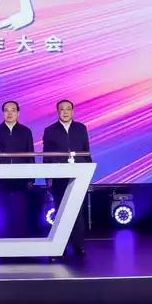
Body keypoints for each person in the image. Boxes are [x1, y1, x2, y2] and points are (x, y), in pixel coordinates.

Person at [42, 99, 92, 257]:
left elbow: (86, 151)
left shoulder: (81, 128)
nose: (65, 112)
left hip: (79, 174)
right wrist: (48, 176)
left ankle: (78, 244)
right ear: (58, 112)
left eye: (68, 109)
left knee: (78, 211)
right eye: (62, 109)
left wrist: (88, 171)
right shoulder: (50, 130)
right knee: (60, 210)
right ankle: (60, 245)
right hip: (59, 175)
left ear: (73, 111)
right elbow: (46, 156)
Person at [0, 101, 35, 238]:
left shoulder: (25, 131)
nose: (9, 113)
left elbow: (30, 154)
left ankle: (20, 237)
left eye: (13, 110)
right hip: (1, 176)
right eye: (6, 110)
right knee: (2, 208)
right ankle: (3, 237)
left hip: (21, 176)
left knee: (20, 208)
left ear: (18, 113)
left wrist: (31, 178)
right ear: (3, 113)